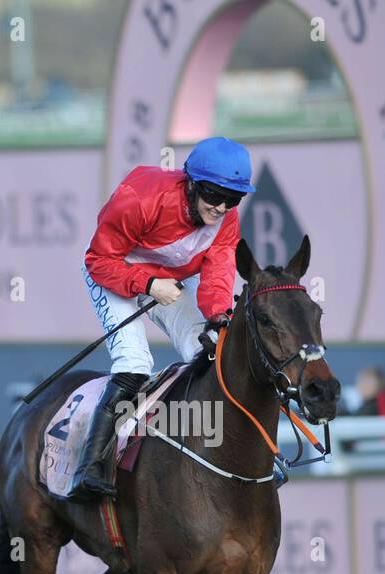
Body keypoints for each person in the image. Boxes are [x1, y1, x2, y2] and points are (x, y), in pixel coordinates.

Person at [73, 136, 254, 500]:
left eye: (232, 199)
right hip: (115, 269)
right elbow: (99, 261)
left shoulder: (226, 219)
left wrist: (219, 316)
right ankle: (89, 467)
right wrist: (148, 283)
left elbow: (219, 269)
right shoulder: (139, 199)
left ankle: (237, 457)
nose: (221, 207)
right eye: (213, 195)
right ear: (191, 184)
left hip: (167, 278)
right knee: (135, 362)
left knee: (212, 354)